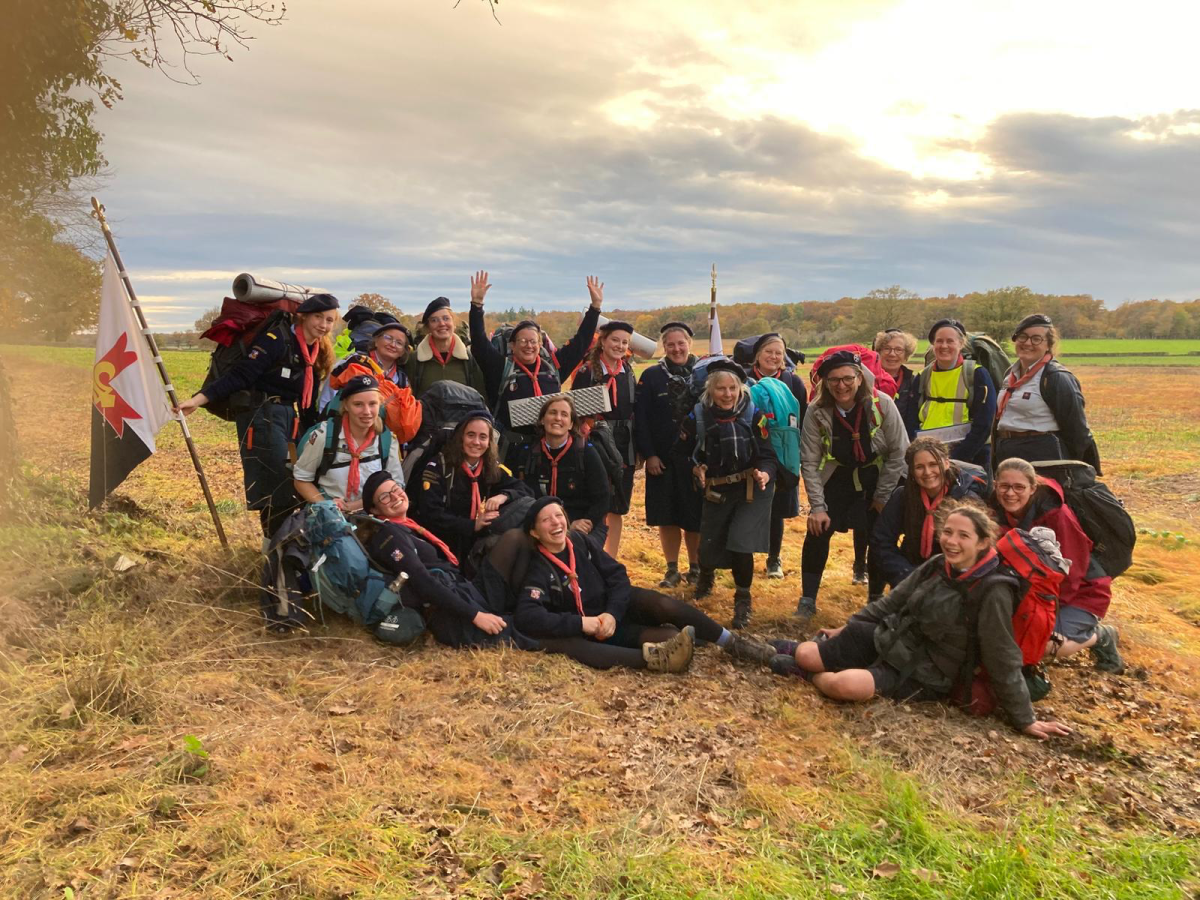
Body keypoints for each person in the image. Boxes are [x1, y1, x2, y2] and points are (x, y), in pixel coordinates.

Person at [768, 499, 1073, 741]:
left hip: (925, 671)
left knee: (844, 685)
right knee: (809, 652)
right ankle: (789, 657)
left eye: (963, 535)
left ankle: (802, 674)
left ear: (983, 543)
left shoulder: (993, 590)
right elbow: (892, 602)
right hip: (891, 637)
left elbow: (1002, 656)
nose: (951, 541)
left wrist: (1026, 719)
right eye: (948, 532)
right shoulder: (940, 564)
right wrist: (846, 627)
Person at [517, 497, 776, 671]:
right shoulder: (537, 566)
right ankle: (694, 642)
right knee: (673, 641)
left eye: (559, 516)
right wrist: (581, 623)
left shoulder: (580, 543)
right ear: (534, 531)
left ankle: (733, 643)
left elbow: (617, 575)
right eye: (546, 520)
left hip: (614, 609)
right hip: (594, 630)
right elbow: (528, 616)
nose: (556, 523)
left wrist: (612, 613)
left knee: (661, 602)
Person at [175, 292, 339, 539]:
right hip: (263, 418)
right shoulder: (276, 339)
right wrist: (198, 400)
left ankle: (291, 548)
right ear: (303, 316)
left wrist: (318, 435)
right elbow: (241, 375)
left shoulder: (313, 352)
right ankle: (272, 551)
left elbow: (308, 404)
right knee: (275, 487)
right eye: (318, 317)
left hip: (290, 422)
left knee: (298, 478)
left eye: (329, 320)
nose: (323, 325)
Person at [362, 470, 539, 650]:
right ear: (374, 510)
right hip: (447, 612)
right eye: (384, 497)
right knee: (520, 632)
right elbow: (423, 582)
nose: (395, 496)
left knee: (515, 538)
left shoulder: (407, 526)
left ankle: (538, 603)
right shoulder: (389, 536)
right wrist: (475, 615)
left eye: (395, 488)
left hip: (462, 587)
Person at [797, 350, 908, 620]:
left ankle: (875, 601)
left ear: (860, 378)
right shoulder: (817, 411)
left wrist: (882, 497)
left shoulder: (882, 404)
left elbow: (899, 453)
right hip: (839, 477)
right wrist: (817, 507)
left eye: (847, 378)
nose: (841, 386)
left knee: (879, 538)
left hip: (877, 477)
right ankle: (808, 600)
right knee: (817, 532)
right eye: (833, 380)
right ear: (824, 382)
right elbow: (809, 461)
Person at [988, 458, 1123, 672]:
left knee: (1037, 646)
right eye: (1004, 486)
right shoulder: (995, 513)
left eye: (1019, 487)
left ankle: (1101, 637)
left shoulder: (1057, 514)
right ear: (995, 485)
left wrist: (1044, 612)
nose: (1010, 493)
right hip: (1036, 594)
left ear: (1033, 488)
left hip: (1081, 594)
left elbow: (1074, 570)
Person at [674, 359, 776, 629]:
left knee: (741, 544)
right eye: (721, 389)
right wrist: (695, 468)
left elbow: (767, 455)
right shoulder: (696, 417)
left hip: (750, 490)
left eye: (733, 388)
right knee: (708, 547)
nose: (728, 394)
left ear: (741, 388)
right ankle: (705, 577)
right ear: (710, 390)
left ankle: (743, 599)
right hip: (715, 491)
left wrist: (764, 473)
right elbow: (680, 454)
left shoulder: (754, 415)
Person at [468, 271, 604, 468]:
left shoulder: (553, 368)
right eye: (522, 341)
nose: (528, 346)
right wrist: (477, 305)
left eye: (533, 341)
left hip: (550, 448)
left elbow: (580, 343)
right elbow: (479, 344)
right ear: (512, 346)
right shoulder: (501, 368)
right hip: (511, 450)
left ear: (540, 345)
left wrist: (595, 308)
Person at [635, 322, 703, 587]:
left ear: (689, 344)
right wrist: (650, 455)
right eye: (671, 344)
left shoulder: (704, 373)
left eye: (681, 343)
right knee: (668, 515)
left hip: (695, 461)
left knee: (694, 517)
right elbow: (641, 419)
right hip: (662, 460)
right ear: (664, 347)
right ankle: (672, 569)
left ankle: (696, 568)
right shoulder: (651, 376)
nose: (676, 349)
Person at [415, 410, 531, 566]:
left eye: (483, 437)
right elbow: (430, 514)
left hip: (476, 545)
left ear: (490, 442)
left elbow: (524, 490)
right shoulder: (438, 466)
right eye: (470, 435)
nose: (476, 442)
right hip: (443, 544)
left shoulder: (490, 467)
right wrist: (472, 525)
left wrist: (503, 496)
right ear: (460, 437)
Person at [871, 436, 989, 589]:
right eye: (919, 467)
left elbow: (979, 550)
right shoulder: (903, 496)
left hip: (952, 583)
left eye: (933, 464)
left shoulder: (967, 501)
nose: (927, 472)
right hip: (908, 577)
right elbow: (881, 540)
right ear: (911, 471)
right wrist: (905, 574)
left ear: (946, 463)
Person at [994, 314, 1101, 472]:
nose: (1028, 343)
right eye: (1022, 337)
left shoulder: (1056, 377)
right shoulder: (1010, 374)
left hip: (1043, 454)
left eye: (1036, 339)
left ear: (1048, 345)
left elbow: (1077, 430)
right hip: (1007, 450)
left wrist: (1075, 469)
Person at [743, 332, 809, 579]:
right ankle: (745, 556)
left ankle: (774, 558)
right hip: (753, 451)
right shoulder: (745, 380)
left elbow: (803, 417)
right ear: (757, 355)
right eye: (768, 351)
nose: (773, 356)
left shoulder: (793, 382)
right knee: (747, 503)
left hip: (784, 453)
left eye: (778, 353)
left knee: (777, 508)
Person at [571, 318, 638, 558]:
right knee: (596, 497)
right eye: (615, 340)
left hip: (624, 441)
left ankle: (611, 557)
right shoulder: (586, 372)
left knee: (617, 504)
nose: (619, 346)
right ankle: (590, 552)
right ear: (603, 341)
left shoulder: (627, 371)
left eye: (624, 342)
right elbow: (575, 412)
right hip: (595, 440)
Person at [293, 374, 403, 512]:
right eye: (358, 404)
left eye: (372, 404)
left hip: (373, 513)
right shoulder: (325, 435)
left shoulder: (386, 439)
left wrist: (358, 505)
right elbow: (301, 479)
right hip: (328, 512)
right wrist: (328, 506)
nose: (367, 412)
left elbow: (397, 485)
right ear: (346, 405)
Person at [518, 394, 610, 542]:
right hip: (542, 523)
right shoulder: (529, 454)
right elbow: (523, 495)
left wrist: (586, 521)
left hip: (582, 521)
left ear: (572, 424)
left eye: (564, 414)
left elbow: (603, 497)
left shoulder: (586, 453)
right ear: (542, 419)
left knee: (576, 548)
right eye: (552, 413)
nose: (558, 418)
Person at [907, 319, 997, 469]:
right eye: (939, 341)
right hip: (928, 457)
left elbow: (984, 422)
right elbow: (911, 419)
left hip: (969, 457)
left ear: (961, 344)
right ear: (933, 345)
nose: (944, 346)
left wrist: (958, 458)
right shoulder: (922, 376)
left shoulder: (977, 374)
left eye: (950, 341)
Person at [405, 296, 485, 398]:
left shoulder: (468, 359)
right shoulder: (415, 360)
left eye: (446, 318)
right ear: (428, 327)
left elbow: (481, 398)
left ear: (454, 323)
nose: (442, 324)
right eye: (434, 320)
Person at [874, 328, 919, 422]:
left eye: (899, 350)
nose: (892, 354)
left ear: (906, 354)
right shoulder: (868, 380)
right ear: (878, 352)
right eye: (887, 348)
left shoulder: (913, 381)